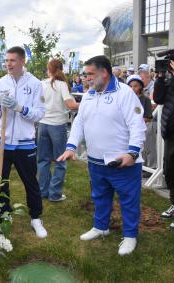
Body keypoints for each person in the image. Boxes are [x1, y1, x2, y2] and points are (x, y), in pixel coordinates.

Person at [58, 55, 147, 256]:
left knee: (128, 200)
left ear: (104, 73)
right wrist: (71, 146)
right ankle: (101, 227)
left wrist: (132, 153)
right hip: (96, 161)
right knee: (99, 196)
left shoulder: (124, 93)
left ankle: (130, 236)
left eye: (90, 74)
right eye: (85, 74)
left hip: (122, 162)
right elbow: (79, 122)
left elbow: (137, 125)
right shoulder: (89, 95)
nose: (86, 78)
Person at [0, 46, 48, 238]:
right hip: (2, 141)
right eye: (6, 61)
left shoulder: (35, 83)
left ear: (22, 61)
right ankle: (2, 216)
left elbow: (39, 114)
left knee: (30, 181)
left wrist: (20, 108)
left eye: (12, 60)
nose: (8, 64)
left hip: (25, 142)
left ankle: (36, 217)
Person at [38, 59, 78, 202]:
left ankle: (43, 191)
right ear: (61, 69)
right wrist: (87, 103)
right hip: (57, 125)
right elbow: (71, 105)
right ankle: (55, 194)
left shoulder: (42, 83)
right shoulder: (61, 85)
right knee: (60, 161)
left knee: (43, 160)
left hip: (42, 125)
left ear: (48, 69)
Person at [153, 60, 174, 229]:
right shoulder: (168, 79)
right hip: (170, 134)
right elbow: (158, 99)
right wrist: (160, 77)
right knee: (169, 169)